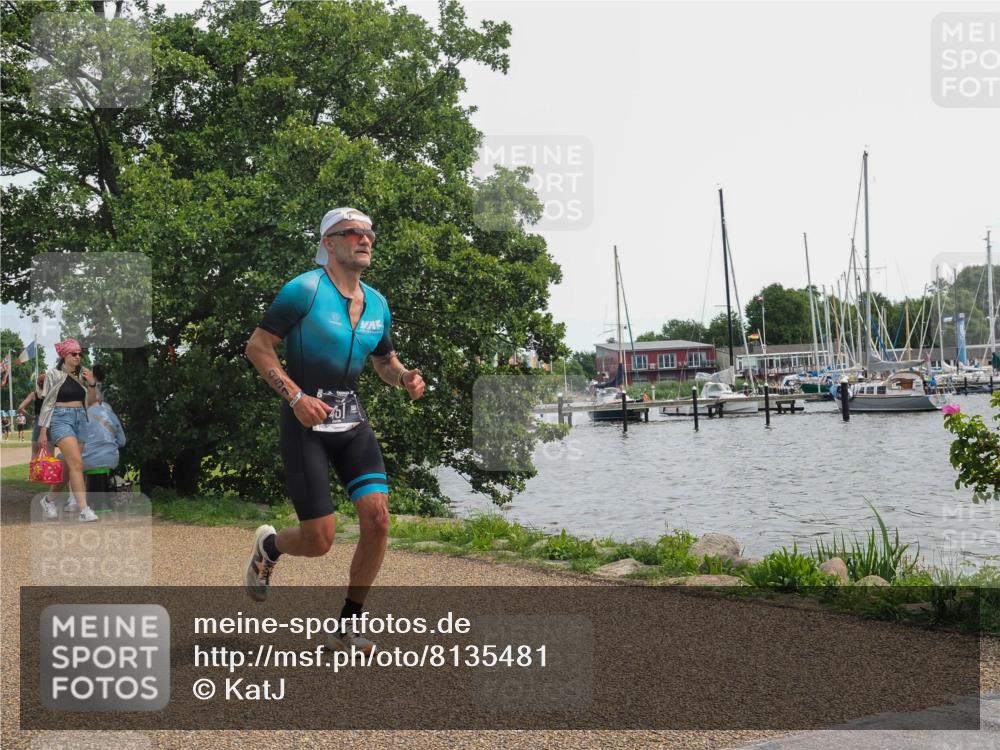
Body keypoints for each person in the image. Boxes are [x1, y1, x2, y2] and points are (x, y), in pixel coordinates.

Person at [245, 207, 425, 652]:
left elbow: (384, 361)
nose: (365, 239)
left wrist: (404, 377)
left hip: (351, 421)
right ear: (329, 243)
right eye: (352, 233)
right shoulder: (304, 290)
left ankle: (347, 625)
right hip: (305, 421)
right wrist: (295, 397)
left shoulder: (378, 303)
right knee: (319, 540)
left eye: (369, 233)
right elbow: (258, 347)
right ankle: (270, 546)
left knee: (378, 518)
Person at [37, 339, 100, 522]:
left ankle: (48, 501)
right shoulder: (53, 374)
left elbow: (91, 402)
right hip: (60, 418)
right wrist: (43, 430)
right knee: (77, 463)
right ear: (64, 355)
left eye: (80, 354)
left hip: (80, 419)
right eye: (74, 354)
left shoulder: (83, 374)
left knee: (69, 467)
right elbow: (47, 403)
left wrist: (92, 384)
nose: (78, 357)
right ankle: (84, 510)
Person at [81, 366, 126, 513]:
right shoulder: (110, 414)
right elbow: (122, 441)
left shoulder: (82, 415)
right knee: (99, 460)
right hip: (111, 459)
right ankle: (104, 502)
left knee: (74, 461)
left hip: (87, 460)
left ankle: (78, 501)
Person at [18, 374, 46, 459]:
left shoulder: (34, 394)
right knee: (50, 452)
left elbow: (20, 408)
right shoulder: (51, 394)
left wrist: (31, 417)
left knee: (35, 452)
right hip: (50, 422)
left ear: (37, 383)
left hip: (38, 421)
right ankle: (49, 468)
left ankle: (35, 468)